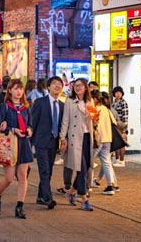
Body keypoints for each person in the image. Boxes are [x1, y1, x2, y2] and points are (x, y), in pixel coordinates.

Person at [0, 79, 33, 219]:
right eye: (15, 89)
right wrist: (12, 129)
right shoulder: (5, 107)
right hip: (10, 144)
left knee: (23, 177)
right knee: (9, 178)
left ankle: (19, 207)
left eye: (20, 89)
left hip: (23, 144)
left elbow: (31, 124)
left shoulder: (26, 107)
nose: (18, 91)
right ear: (9, 90)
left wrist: (28, 130)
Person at [59, 78, 95, 212]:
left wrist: (93, 117)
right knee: (82, 168)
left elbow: (93, 120)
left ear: (86, 88)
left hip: (87, 137)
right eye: (76, 86)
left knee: (85, 168)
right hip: (75, 138)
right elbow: (65, 120)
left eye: (81, 85)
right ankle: (84, 199)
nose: (78, 87)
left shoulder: (89, 101)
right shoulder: (69, 101)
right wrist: (63, 138)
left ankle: (71, 192)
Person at [31, 76, 64, 209]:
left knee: (48, 170)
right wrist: (31, 143)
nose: (57, 86)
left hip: (54, 142)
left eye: (60, 84)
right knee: (44, 170)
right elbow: (33, 122)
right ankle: (47, 198)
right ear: (48, 87)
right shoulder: (40, 102)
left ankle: (40, 196)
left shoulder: (62, 105)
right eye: (55, 84)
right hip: (41, 141)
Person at [90, 90, 118, 196]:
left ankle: (87, 185)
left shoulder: (94, 109)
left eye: (91, 98)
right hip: (108, 139)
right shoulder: (106, 109)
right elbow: (114, 123)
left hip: (97, 140)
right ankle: (110, 185)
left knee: (90, 162)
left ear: (95, 99)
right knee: (106, 162)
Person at [112, 86, 128, 167]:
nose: (118, 94)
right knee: (117, 143)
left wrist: (124, 128)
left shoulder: (123, 103)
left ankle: (122, 161)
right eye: (116, 93)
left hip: (121, 125)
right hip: (115, 125)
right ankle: (117, 159)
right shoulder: (114, 102)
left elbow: (125, 116)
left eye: (120, 93)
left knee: (122, 143)